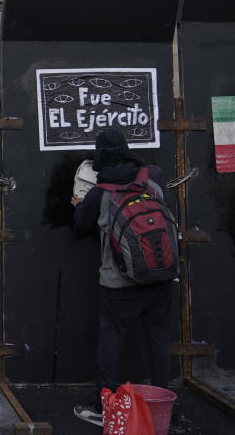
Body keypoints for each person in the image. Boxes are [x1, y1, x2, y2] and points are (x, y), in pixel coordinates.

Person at [70, 127, 173, 427]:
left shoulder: (101, 191)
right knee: (158, 341)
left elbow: (81, 223)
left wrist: (80, 205)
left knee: (111, 341)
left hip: (119, 283)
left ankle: (105, 408)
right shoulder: (152, 177)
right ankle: (160, 405)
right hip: (160, 277)